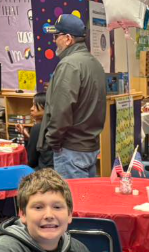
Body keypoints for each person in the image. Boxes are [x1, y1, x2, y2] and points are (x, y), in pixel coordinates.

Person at [45, 14, 106, 179]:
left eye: (56, 36)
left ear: (67, 38)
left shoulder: (68, 65)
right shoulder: (94, 63)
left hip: (70, 149)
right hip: (89, 146)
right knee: (85, 201)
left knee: (72, 203)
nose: (54, 40)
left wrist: (53, 141)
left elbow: (61, 111)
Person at [24, 92, 53, 170]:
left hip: (44, 172)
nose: (31, 108)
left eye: (35, 105)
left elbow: (31, 160)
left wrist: (27, 140)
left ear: (46, 107)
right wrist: (28, 138)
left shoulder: (38, 128)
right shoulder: (55, 124)